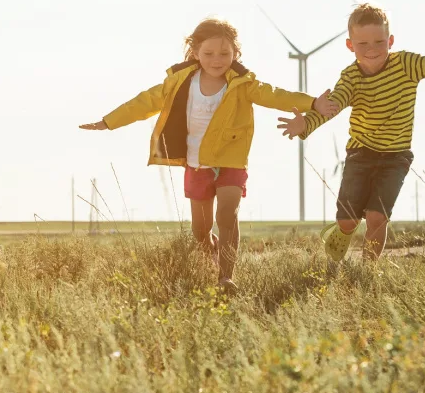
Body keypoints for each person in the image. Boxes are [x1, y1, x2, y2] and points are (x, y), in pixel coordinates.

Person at [80, 17, 339, 292]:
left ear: (235, 54)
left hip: (231, 161)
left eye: (225, 54)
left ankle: (226, 277)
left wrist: (312, 103)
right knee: (200, 232)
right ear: (195, 53)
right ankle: (213, 254)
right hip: (197, 164)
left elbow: (275, 95)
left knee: (227, 215)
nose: (217, 60)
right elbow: (144, 102)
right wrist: (108, 121)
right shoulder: (179, 81)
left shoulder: (243, 84)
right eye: (209, 54)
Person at [277, 2, 425, 262]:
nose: (372, 50)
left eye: (379, 42)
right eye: (363, 44)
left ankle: (369, 268)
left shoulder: (407, 64)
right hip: (360, 153)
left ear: (390, 40)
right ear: (350, 45)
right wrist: (306, 123)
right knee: (348, 220)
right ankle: (342, 231)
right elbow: (333, 104)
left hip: (396, 157)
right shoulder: (350, 77)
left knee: (377, 217)